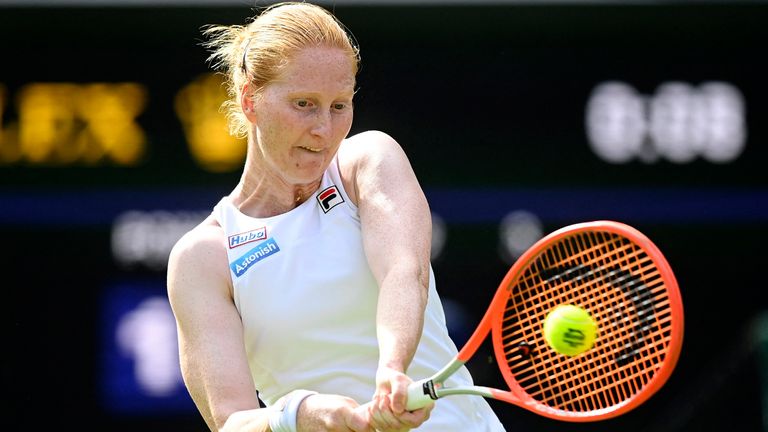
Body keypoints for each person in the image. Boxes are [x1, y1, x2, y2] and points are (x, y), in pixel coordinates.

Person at [167, 2, 506, 431]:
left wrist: (393, 368)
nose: (324, 129)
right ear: (250, 100)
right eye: (304, 104)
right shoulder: (202, 258)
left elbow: (405, 272)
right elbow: (231, 423)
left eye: (339, 105)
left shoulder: (367, 161)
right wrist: (300, 416)